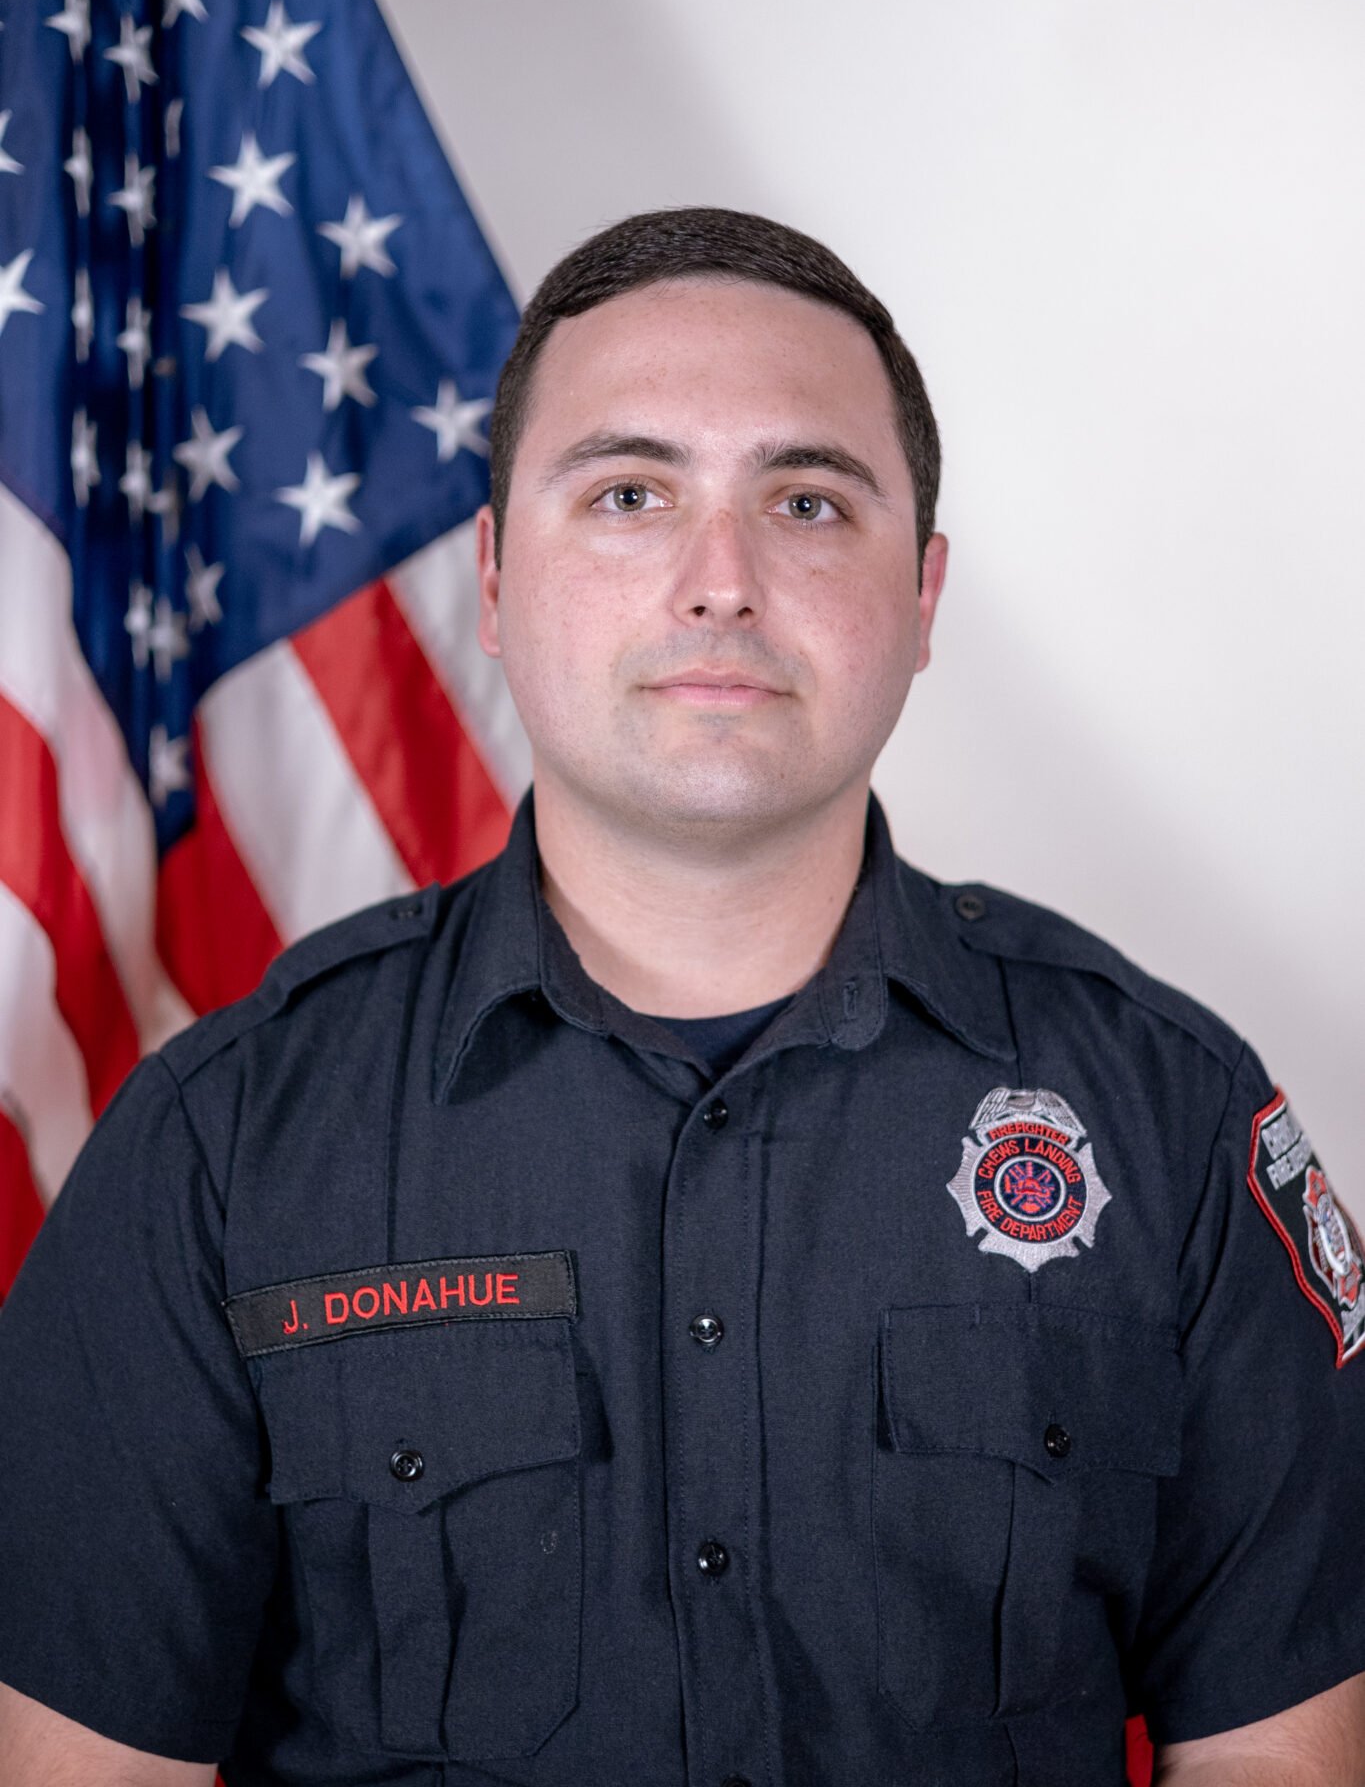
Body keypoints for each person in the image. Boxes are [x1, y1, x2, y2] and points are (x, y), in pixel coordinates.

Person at [0, 207, 1362, 1787]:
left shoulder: (1171, 1115)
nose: (720, 583)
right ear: (496, 581)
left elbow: (1279, 1754)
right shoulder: (222, 1146)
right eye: (631, 494)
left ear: (920, 600)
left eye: (804, 499)